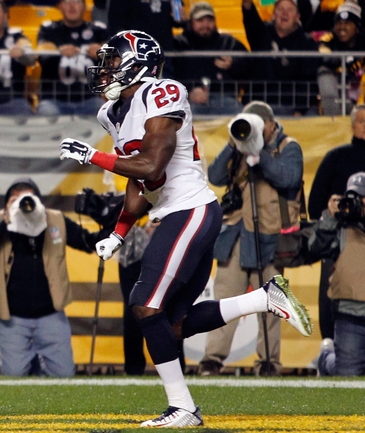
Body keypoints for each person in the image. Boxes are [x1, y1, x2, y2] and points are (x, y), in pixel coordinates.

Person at [59, 30, 312, 427]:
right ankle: (265, 298)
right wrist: (119, 231)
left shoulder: (162, 92)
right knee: (173, 324)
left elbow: (151, 165)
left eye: (113, 61)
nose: (105, 69)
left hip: (191, 210)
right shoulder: (110, 113)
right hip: (176, 214)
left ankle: (183, 408)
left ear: (138, 65)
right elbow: (138, 181)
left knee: (144, 303)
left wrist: (93, 156)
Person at [198, 101, 304, 377]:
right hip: (236, 234)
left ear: (270, 123)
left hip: (270, 236)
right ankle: (212, 359)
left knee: (271, 302)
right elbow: (215, 176)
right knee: (224, 301)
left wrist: (261, 155)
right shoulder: (240, 145)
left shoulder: (288, 146)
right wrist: (234, 144)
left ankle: (268, 361)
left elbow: (289, 178)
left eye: (257, 125)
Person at [0, 177, 105, 377]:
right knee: (14, 375)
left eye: (27, 198)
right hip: (11, 317)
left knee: (64, 376)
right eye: (15, 199)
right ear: (6, 204)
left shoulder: (55, 220)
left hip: (51, 314)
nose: (23, 204)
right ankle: (30, 362)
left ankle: (37, 362)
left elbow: (89, 242)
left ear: (39, 201)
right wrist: (7, 222)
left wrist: (108, 223)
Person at [308, 104, 365, 341]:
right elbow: (314, 205)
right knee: (331, 296)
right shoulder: (336, 157)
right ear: (352, 126)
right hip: (339, 239)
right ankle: (330, 344)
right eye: (362, 121)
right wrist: (332, 214)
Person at [310, 172, 365, 376]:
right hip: (350, 314)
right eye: (354, 197)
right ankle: (326, 360)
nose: (358, 203)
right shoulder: (340, 227)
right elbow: (315, 249)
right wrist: (329, 218)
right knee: (348, 375)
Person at [241, 0, 319, 115]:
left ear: (297, 16)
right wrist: (247, 1)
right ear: (273, 15)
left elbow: (310, 81)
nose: (284, 13)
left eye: (290, 9)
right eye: (280, 9)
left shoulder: (307, 43)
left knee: (312, 116)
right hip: (259, 104)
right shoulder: (261, 34)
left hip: (291, 106)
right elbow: (251, 21)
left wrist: (299, 110)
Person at [36, 0, 108, 116]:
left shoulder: (98, 29)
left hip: (89, 99)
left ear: (84, 6)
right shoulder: (49, 29)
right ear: (60, 7)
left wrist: (102, 51)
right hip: (54, 99)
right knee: (47, 112)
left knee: (103, 113)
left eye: (76, 1)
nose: (71, 6)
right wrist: (59, 51)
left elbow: (112, 56)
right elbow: (43, 49)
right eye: (67, 1)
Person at [172, 1, 250, 115]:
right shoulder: (179, 44)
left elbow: (249, 65)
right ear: (191, 22)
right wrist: (188, 92)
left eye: (209, 20)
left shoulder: (228, 42)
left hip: (224, 99)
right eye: (200, 20)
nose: (205, 25)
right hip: (189, 101)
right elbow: (170, 74)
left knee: (240, 116)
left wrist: (233, 63)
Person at [317, 0, 365, 116]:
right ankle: (332, 121)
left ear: (356, 27)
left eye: (347, 23)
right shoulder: (329, 38)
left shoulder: (363, 41)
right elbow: (323, 49)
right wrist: (336, 58)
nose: (342, 27)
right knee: (323, 72)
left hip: (360, 99)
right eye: (339, 23)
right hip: (339, 96)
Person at [106, 0, 184, 54]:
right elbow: (115, 25)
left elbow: (178, 20)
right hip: (136, 51)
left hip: (164, 49)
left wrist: (181, 19)